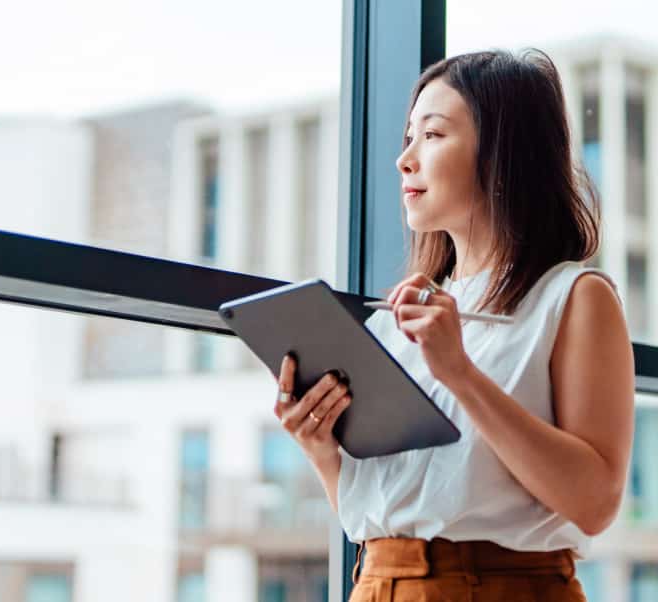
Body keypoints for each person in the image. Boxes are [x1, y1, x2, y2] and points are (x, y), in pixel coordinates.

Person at [270, 48, 635, 602]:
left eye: (433, 135)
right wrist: (323, 450)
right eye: (407, 138)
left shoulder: (573, 298)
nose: (405, 160)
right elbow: (386, 513)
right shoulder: (404, 313)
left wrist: (460, 373)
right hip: (378, 583)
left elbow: (595, 502)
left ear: (503, 154)